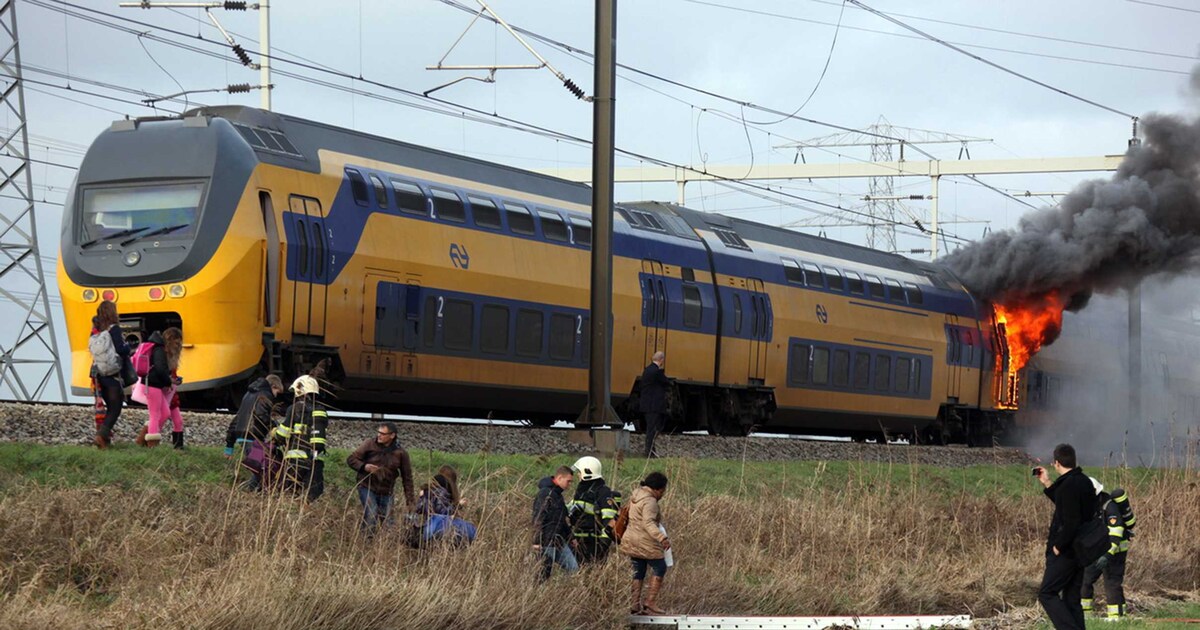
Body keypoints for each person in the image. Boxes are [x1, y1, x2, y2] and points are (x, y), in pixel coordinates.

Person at [1035, 443, 1099, 630]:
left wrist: (1059, 545)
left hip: (1067, 551)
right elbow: (1068, 506)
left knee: (1047, 593)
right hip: (1082, 550)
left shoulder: (1068, 485)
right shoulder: (1084, 482)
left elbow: (1071, 520)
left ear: (1056, 463)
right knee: (1072, 599)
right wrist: (1047, 483)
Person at [346, 421, 415, 534]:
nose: (379, 435)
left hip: (387, 491)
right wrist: (364, 467)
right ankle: (366, 542)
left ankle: (385, 547)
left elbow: (407, 478)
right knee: (371, 513)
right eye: (378, 432)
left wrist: (410, 501)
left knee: (389, 522)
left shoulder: (401, 453)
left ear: (392, 435)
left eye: (383, 433)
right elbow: (351, 459)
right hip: (366, 486)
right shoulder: (369, 444)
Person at [1081, 478, 1135, 621]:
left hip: (1115, 550)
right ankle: (1085, 615)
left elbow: (1116, 532)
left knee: (1112, 581)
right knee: (1085, 578)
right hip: (1097, 550)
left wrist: (1107, 555)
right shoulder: (1091, 506)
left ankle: (1116, 617)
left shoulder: (1110, 507)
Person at [621, 471, 671, 615]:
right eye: (663, 490)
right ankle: (650, 602)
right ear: (658, 489)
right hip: (645, 541)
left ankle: (635, 604)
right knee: (660, 567)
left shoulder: (636, 495)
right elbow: (648, 523)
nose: (663, 494)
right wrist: (662, 538)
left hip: (631, 541)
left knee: (639, 571)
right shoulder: (650, 501)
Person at [223, 375, 285, 489]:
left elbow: (237, 419)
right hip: (253, 436)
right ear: (273, 386)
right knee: (261, 469)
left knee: (260, 466)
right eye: (277, 391)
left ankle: (254, 492)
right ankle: (247, 491)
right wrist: (275, 428)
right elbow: (262, 416)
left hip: (242, 435)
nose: (275, 395)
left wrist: (229, 445)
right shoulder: (265, 396)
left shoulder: (248, 395)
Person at [274, 374, 329, 502]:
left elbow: (282, 435)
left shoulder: (295, 409)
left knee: (288, 493)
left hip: (295, 461)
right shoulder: (321, 411)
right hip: (314, 461)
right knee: (309, 497)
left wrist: (274, 433)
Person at [89, 301, 129, 449]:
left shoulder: (95, 329)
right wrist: (128, 346)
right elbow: (121, 349)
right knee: (115, 408)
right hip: (113, 374)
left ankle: (105, 442)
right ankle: (100, 437)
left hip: (98, 374)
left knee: (104, 408)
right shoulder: (114, 329)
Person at [568, 455, 621, 564]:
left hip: (594, 543)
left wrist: (603, 544)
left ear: (587, 472)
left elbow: (609, 520)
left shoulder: (602, 492)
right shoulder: (582, 491)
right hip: (578, 541)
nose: (578, 474)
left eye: (580, 472)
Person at [532, 465, 578, 582]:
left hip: (558, 541)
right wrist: (536, 541)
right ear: (559, 478)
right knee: (543, 575)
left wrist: (571, 538)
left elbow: (561, 521)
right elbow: (538, 518)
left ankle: (564, 595)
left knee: (573, 568)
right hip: (546, 541)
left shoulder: (558, 496)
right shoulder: (545, 494)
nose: (569, 485)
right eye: (568, 481)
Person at [142, 327, 185, 449]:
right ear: (170, 340)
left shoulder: (163, 351)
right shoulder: (160, 351)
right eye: (177, 342)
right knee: (157, 415)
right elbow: (161, 370)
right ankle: (149, 442)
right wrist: (170, 380)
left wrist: (172, 380)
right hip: (157, 387)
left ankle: (148, 440)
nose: (179, 346)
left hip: (165, 389)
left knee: (168, 416)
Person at [639, 351, 670, 458]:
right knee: (653, 429)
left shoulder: (647, 370)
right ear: (661, 360)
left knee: (651, 428)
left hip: (646, 404)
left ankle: (651, 451)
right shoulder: (657, 372)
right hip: (654, 405)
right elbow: (666, 382)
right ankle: (649, 452)